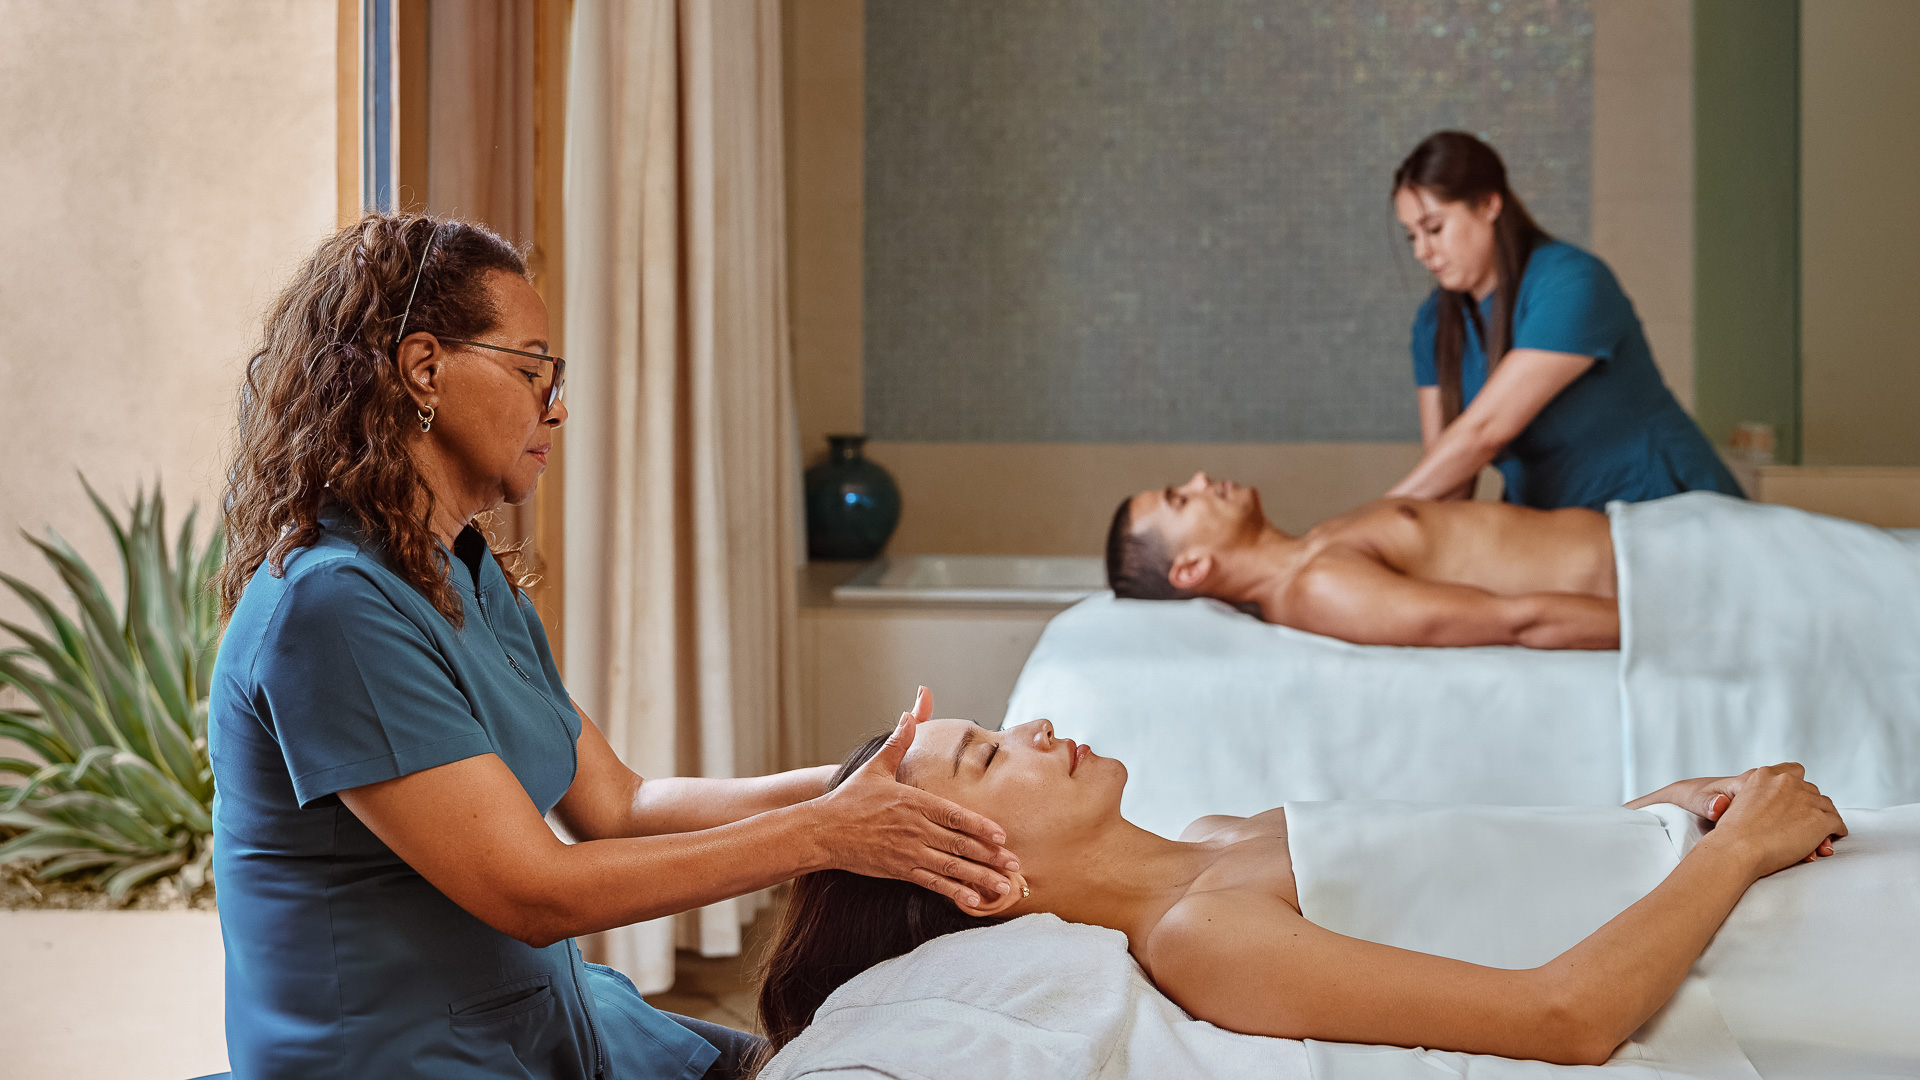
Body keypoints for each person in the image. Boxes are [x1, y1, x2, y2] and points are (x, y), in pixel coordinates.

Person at [208, 213, 1019, 1080]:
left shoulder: (460, 572)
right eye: (531, 370)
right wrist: (826, 836)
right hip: (403, 1058)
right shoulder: (331, 609)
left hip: (544, 1021)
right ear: (424, 369)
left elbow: (620, 805)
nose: (555, 405)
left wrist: (859, 786)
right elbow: (533, 891)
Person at [757, 711, 1847, 1066]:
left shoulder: (1216, 834)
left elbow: (1476, 868)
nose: (1037, 729)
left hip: (1730, 859)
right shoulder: (1200, 940)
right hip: (1747, 944)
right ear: (981, 884)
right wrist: (1734, 855)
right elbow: (1563, 1018)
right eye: (995, 758)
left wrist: (1664, 810)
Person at [1385, 131, 1742, 510]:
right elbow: (1449, 482)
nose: (1422, 251)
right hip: (1553, 533)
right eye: (1412, 237)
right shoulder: (1435, 323)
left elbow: (1483, 434)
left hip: (1664, 512)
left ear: (1489, 204)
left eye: (1435, 228)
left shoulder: (1571, 283)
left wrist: (1361, 522)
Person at [1106, 471, 1618, 649]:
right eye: (1181, 499)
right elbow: (1515, 623)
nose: (1199, 480)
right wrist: (1678, 627)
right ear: (1192, 569)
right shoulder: (1317, 588)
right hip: (1645, 584)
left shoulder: (1316, 547)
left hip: (1652, 543)